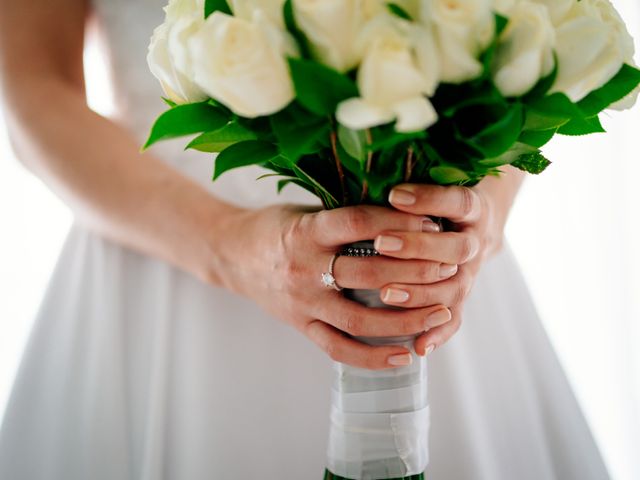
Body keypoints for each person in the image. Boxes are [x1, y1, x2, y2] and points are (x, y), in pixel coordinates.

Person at [0, 1, 611, 478]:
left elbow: (527, 33)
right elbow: (34, 88)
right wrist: (229, 246)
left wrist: (482, 212)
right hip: (162, 246)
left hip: (431, 256)